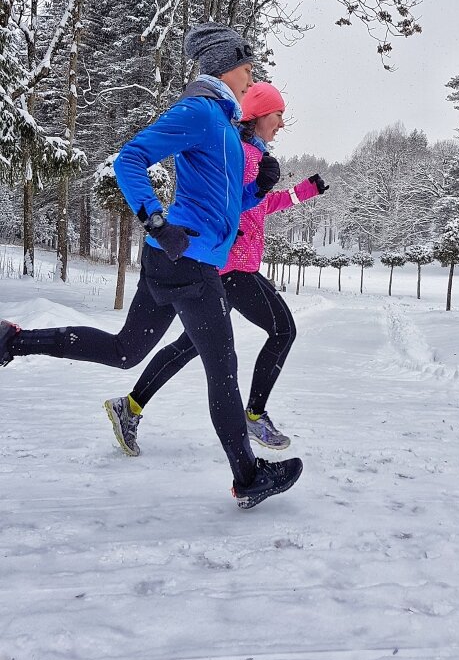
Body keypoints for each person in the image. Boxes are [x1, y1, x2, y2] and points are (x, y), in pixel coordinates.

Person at [0, 22, 303, 510]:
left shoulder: (223, 124)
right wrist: (156, 219)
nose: (251, 76)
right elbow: (131, 159)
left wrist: (258, 189)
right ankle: (247, 475)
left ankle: (13, 341)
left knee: (126, 350)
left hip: (177, 259)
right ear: (227, 66)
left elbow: (221, 201)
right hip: (188, 259)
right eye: (247, 67)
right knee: (222, 369)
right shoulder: (201, 111)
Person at [104, 80, 329, 457]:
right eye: (278, 115)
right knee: (282, 330)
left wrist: (302, 191)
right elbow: (227, 204)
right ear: (257, 116)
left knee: (188, 345)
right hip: (232, 267)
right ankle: (254, 415)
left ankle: (130, 406)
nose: (282, 124)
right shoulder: (238, 152)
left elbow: (260, 205)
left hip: (222, 268)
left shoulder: (252, 154)